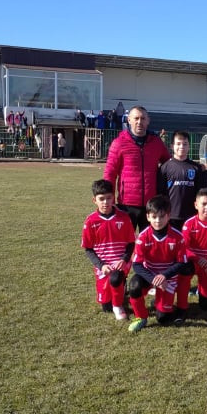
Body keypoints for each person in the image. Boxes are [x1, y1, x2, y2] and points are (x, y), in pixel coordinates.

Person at [127, 195, 189, 332]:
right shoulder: (143, 236)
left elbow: (181, 263)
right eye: (154, 217)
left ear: (168, 216)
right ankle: (140, 317)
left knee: (163, 318)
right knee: (134, 285)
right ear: (148, 217)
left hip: (168, 278)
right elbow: (136, 264)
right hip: (149, 274)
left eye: (162, 216)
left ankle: (162, 303)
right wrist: (154, 279)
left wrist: (164, 276)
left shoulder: (177, 236)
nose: (158, 220)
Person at [104, 106, 171, 231]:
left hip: (151, 204)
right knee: (126, 241)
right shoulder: (119, 143)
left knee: (150, 241)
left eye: (143, 118)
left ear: (148, 121)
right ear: (129, 120)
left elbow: (170, 164)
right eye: (136, 118)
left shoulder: (156, 143)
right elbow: (110, 174)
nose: (139, 122)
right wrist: (110, 200)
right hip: (126, 204)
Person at [82, 179, 136, 320]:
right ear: (94, 200)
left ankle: (118, 305)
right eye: (101, 199)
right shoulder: (90, 221)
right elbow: (88, 249)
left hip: (120, 262)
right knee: (106, 307)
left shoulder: (124, 217)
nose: (105, 202)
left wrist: (124, 260)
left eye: (109, 198)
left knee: (116, 278)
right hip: (103, 265)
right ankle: (119, 288)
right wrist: (101, 266)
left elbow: (131, 243)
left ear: (113, 198)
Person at [158, 130, 204, 230]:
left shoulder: (196, 168)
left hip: (191, 215)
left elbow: (200, 193)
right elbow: (160, 193)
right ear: (172, 146)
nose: (182, 147)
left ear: (189, 146)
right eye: (178, 144)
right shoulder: (165, 167)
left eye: (185, 144)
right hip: (171, 216)